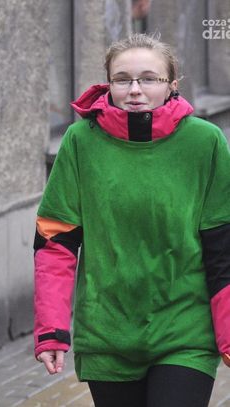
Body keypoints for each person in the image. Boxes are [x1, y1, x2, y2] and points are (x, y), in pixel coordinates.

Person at [33, 33, 230, 407]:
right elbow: (55, 243)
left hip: (184, 332)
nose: (135, 89)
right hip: (107, 335)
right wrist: (52, 330)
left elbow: (223, 246)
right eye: (122, 79)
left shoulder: (205, 142)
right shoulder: (80, 141)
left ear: (172, 85)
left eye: (149, 79)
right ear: (108, 84)